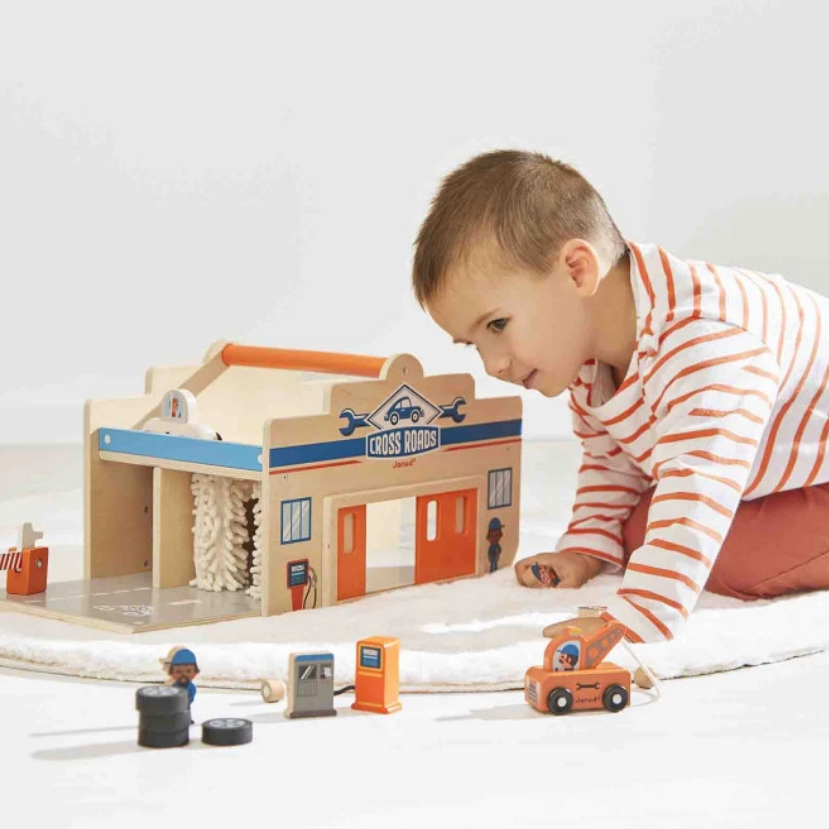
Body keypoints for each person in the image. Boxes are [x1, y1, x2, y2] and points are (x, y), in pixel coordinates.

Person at [411, 148, 829, 644]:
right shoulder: (590, 359)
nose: (493, 363)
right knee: (640, 529)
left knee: (712, 545)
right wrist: (585, 550)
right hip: (770, 477)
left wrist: (636, 618)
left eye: (498, 325)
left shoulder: (704, 342)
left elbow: (701, 486)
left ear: (576, 271)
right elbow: (611, 459)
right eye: (474, 344)